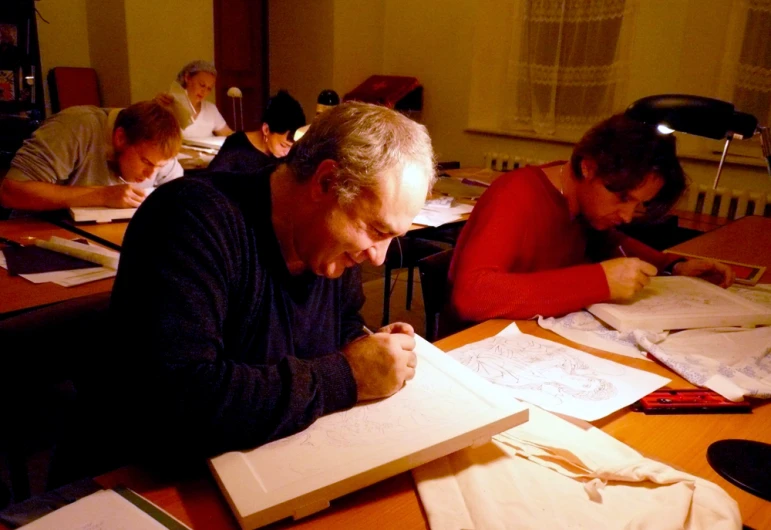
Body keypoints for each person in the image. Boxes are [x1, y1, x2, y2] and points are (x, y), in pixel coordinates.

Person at [103, 101, 436, 466]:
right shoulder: (189, 219)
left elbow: (339, 322)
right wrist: (348, 375)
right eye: (376, 230)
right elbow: (182, 400)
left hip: (274, 467)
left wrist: (365, 345)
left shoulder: (331, 246)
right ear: (326, 182)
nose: (379, 257)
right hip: (149, 482)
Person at [449, 113, 735, 323]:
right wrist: (600, 281)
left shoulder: (587, 210)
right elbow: (472, 295)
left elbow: (613, 244)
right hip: (483, 346)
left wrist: (673, 266)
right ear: (588, 168)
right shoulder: (515, 194)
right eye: (622, 198)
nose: (626, 216)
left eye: (638, 205)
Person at [0, 101, 183, 211]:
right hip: (36, 240)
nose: (150, 175)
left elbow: (182, 200)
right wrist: (102, 195)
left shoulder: (158, 148)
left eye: (159, 167)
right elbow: (11, 193)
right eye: (145, 162)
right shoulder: (74, 127)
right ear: (120, 138)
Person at [207, 90, 306, 174]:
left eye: (291, 147)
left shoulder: (286, 156)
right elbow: (212, 182)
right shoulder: (236, 146)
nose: (287, 152)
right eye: (283, 145)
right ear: (266, 129)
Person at [172, 60, 233, 139]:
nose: (204, 91)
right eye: (202, 85)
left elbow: (229, 135)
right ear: (187, 78)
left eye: (209, 88)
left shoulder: (210, 109)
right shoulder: (169, 106)